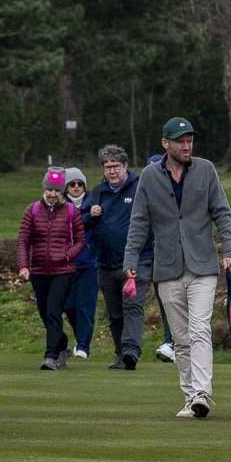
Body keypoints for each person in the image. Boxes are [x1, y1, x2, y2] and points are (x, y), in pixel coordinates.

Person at [122, 116, 231, 417]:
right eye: (180, 141)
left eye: (189, 141)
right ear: (166, 143)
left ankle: (202, 392)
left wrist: (230, 251)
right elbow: (138, 223)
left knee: (199, 329)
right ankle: (190, 397)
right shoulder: (149, 176)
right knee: (181, 338)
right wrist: (130, 263)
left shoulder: (206, 170)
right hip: (167, 268)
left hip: (203, 265)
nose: (187, 146)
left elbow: (222, 213)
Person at [18, 167, 86, 370]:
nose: (53, 194)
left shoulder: (72, 212)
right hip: (38, 270)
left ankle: (51, 355)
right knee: (44, 312)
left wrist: (67, 255)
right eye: (50, 190)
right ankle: (63, 344)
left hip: (62, 271)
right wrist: (23, 265)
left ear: (62, 191)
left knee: (53, 311)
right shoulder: (32, 210)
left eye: (57, 190)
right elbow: (23, 241)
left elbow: (81, 241)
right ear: (44, 189)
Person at [85, 145, 145, 369]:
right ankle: (122, 354)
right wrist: (90, 214)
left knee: (132, 306)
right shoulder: (98, 192)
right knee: (115, 312)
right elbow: (81, 220)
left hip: (134, 260)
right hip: (105, 262)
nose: (112, 171)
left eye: (116, 167)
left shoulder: (139, 189)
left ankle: (131, 350)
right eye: (107, 167)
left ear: (125, 166)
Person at [62, 167, 99, 359]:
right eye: (72, 184)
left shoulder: (94, 204)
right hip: (66, 264)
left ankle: (83, 345)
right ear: (66, 188)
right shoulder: (60, 205)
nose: (77, 187)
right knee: (68, 305)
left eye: (80, 184)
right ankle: (80, 337)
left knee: (85, 305)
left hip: (88, 263)